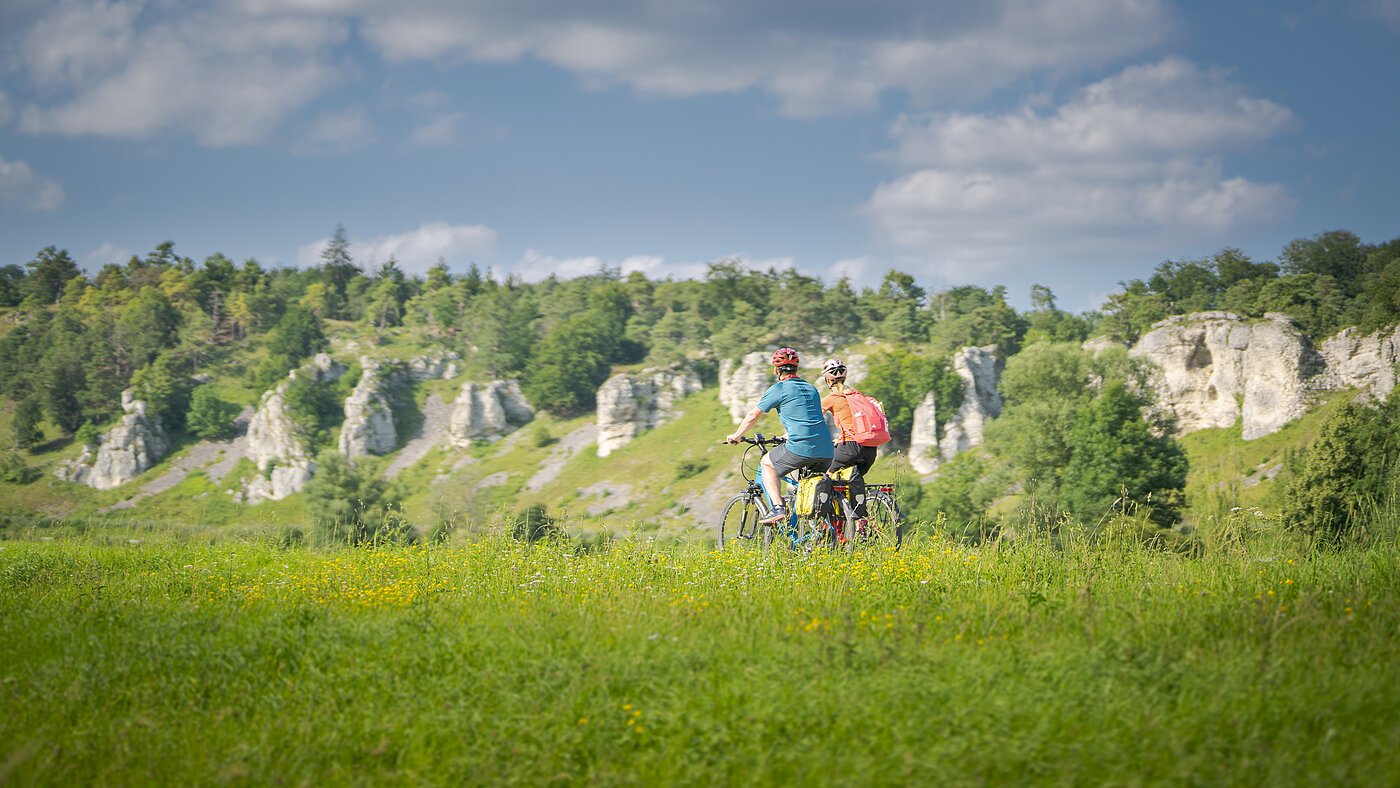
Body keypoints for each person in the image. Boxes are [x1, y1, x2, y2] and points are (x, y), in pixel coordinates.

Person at [724, 347, 834, 524]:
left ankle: (777, 508)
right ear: (796, 369)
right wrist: (788, 435)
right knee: (808, 491)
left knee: (767, 463)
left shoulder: (780, 389)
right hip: (827, 450)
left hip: (801, 447)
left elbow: (753, 415)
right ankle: (813, 532)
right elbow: (809, 419)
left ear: (777, 370)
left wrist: (737, 435)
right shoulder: (811, 388)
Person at [819, 358, 876, 527]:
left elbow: (812, 420)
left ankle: (825, 523)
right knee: (848, 481)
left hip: (850, 447)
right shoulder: (858, 396)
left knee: (823, 474)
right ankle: (860, 523)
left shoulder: (832, 398)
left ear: (827, 380)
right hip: (870, 450)